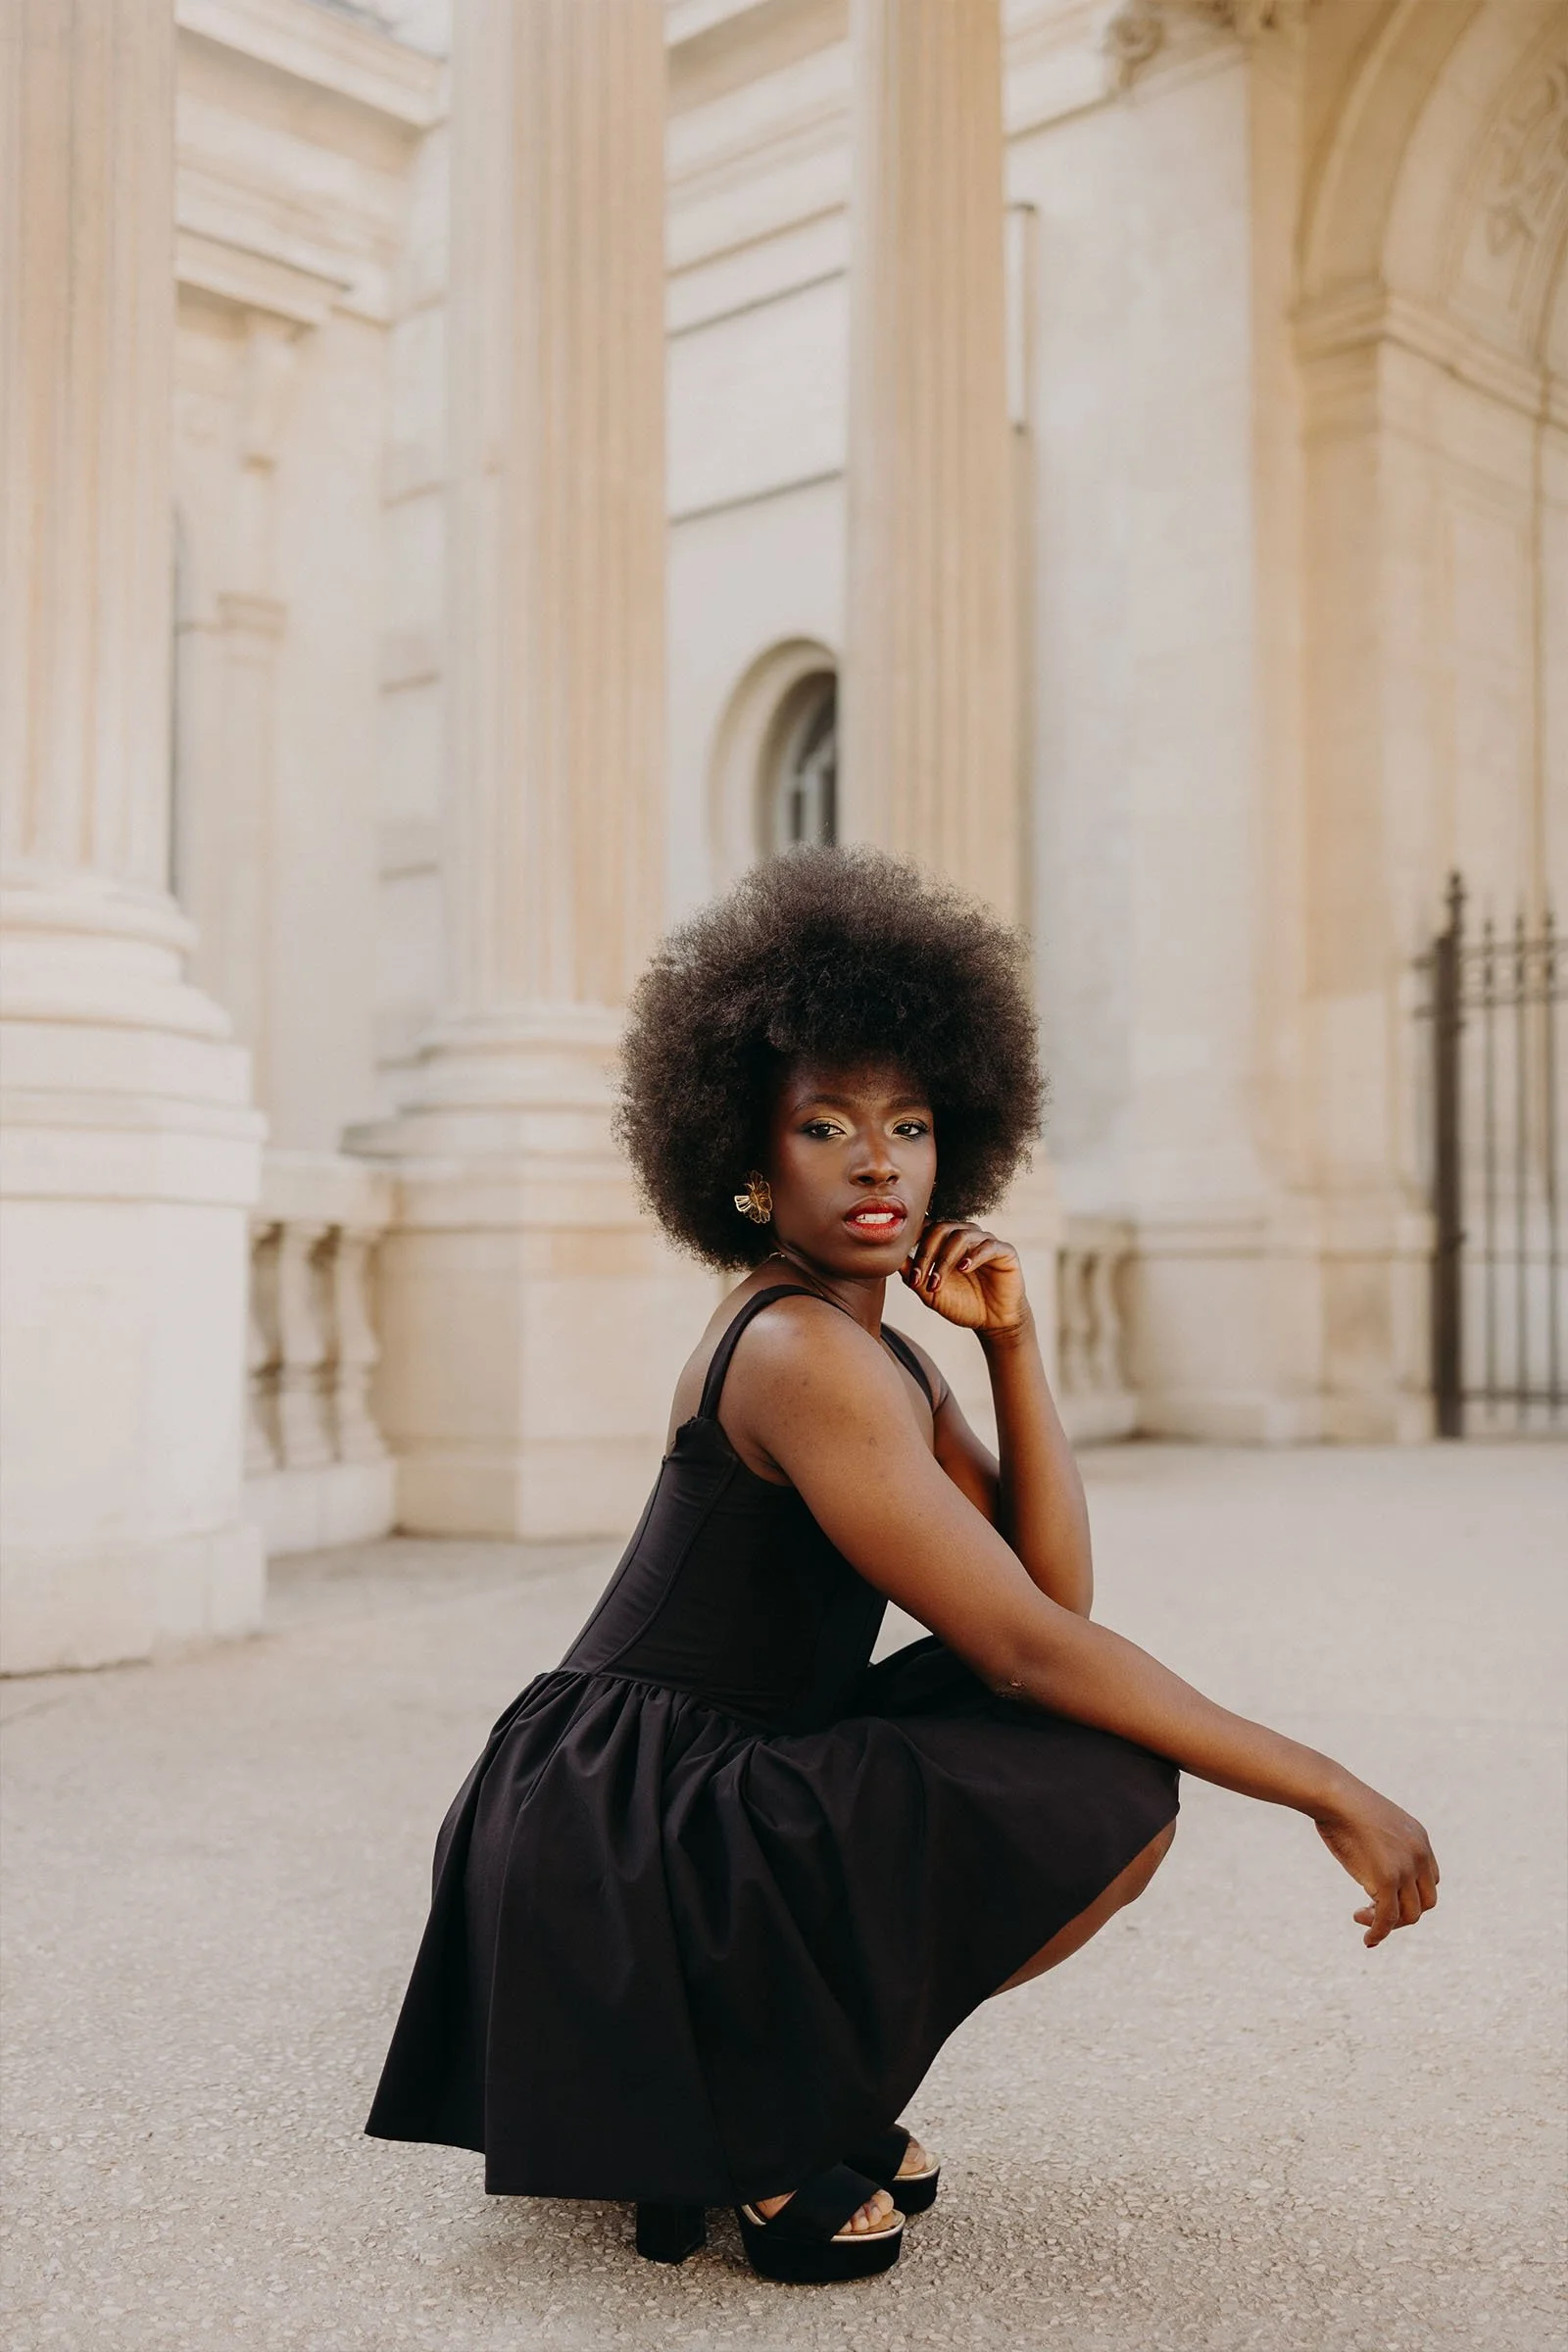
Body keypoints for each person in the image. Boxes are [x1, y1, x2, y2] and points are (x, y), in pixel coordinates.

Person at [366, 846, 1438, 2285]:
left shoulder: (878, 1351)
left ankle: (787, 2072)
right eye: (825, 1126)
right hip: (625, 1829)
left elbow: (1050, 1601)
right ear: (745, 1164)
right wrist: (1321, 1781)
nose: (880, 1160)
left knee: (1078, 1753)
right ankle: (761, 2121)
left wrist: (1009, 1343)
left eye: (912, 1124)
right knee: (1090, 1758)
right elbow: (1028, 1644)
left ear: (955, 1146)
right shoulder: (801, 1352)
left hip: (686, 1783)